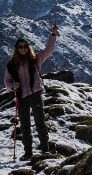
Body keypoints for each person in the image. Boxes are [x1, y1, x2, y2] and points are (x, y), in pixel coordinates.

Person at [4, 22, 59, 160]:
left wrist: (53, 35)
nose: (22, 49)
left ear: (28, 48)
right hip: (21, 97)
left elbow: (49, 50)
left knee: (40, 122)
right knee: (25, 126)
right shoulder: (12, 65)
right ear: (17, 49)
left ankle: (45, 149)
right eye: (20, 47)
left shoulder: (35, 60)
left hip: (35, 94)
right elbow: (7, 81)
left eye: (25, 46)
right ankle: (28, 152)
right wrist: (12, 87)